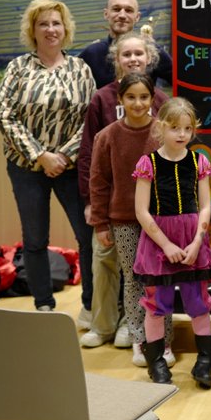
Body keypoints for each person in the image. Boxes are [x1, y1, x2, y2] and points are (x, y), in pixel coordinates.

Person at [77, 31, 171, 364]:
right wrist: (93, 205)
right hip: (116, 207)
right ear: (116, 59)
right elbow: (92, 154)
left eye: (139, 54)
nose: (133, 59)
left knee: (149, 275)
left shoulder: (161, 104)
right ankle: (110, 326)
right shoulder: (101, 100)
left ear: (150, 59)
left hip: (155, 214)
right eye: (126, 54)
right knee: (108, 264)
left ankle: (147, 333)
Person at [0, 0, 95, 312]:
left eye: (56, 23)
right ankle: (43, 303)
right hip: (26, 166)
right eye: (44, 24)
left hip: (71, 166)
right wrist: (41, 155)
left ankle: (92, 305)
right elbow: (5, 115)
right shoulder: (17, 68)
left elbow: (90, 121)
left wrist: (63, 156)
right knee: (35, 238)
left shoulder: (80, 69)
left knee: (88, 235)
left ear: (65, 28)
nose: (51, 29)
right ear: (33, 30)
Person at [132, 97, 211, 388]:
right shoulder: (149, 163)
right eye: (174, 128)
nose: (181, 134)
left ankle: (205, 362)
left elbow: (205, 206)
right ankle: (156, 364)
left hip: (193, 240)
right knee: (157, 304)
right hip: (159, 243)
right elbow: (141, 211)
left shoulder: (199, 161)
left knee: (199, 303)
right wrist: (166, 245)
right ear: (160, 128)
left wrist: (196, 242)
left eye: (187, 128)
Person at [88, 73, 162, 370]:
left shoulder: (162, 132)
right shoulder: (106, 137)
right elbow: (99, 182)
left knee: (159, 281)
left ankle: (161, 339)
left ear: (153, 99)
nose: (138, 103)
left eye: (144, 97)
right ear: (120, 100)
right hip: (123, 221)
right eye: (131, 97)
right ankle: (138, 337)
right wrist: (100, 223)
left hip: (160, 223)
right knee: (133, 281)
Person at [79, 0, 173, 88]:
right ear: (106, 14)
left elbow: (182, 82)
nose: (122, 15)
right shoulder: (93, 53)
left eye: (129, 10)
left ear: (137, 17)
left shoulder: (151, 50)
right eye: (116, 9)